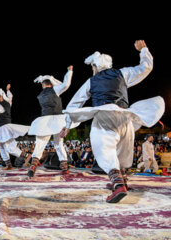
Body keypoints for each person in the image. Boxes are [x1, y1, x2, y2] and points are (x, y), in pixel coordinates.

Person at [61, 40, 165, 203]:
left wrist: (66, 125)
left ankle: (118, 184)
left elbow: (74, 103)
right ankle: (122, 180)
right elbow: (146, 67)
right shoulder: (122, 73)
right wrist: (144, 50)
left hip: (105, 117)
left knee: (103, 147)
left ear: (95, 67)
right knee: (122, 151)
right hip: (125, 116)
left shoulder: (91, 81)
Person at [27, 66, 77, 177]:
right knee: (59, 144)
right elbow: (65, 84)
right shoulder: (55, 89)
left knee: (40, 143)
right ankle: (64, 167)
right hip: (57, 120)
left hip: (44, 120)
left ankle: (33, 166)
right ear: (51, 83)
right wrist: (69, 72)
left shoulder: (40, 95)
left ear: (42, 84)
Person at [0, 84, 30, 170]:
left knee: (9, 147)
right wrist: (8, 90)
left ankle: (26, 155)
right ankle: (8, 165)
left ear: (1, 97)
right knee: (1, 146)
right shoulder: (8, 103)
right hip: (6, 127)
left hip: (4, 127)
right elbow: (10, 96)